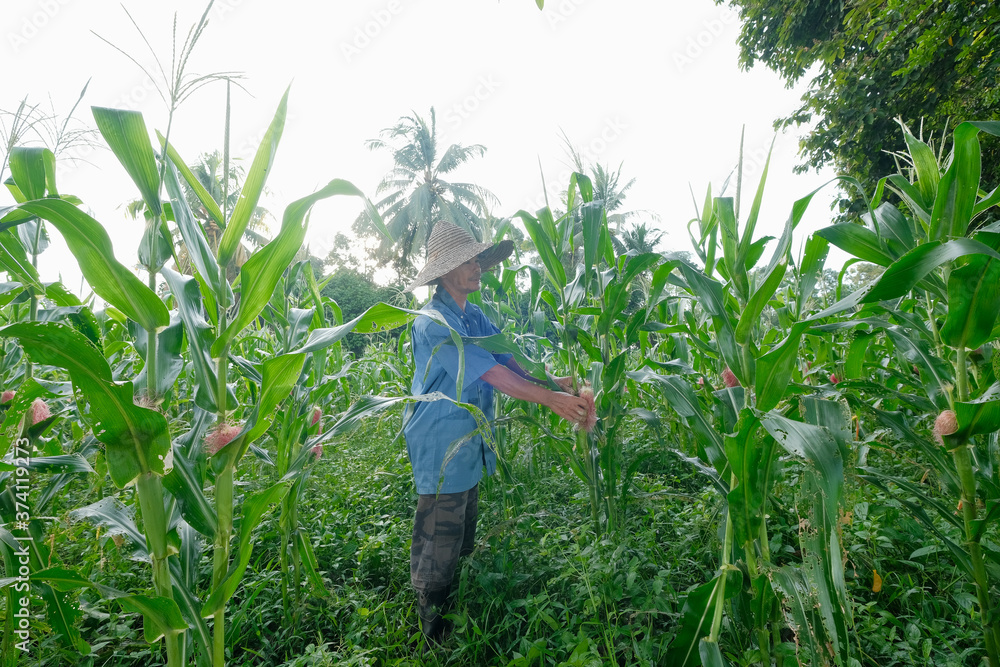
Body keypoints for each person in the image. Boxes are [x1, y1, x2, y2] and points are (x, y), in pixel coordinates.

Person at [402, 221, 590, 645]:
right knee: (439, 533)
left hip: (467, 440)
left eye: (478, 260)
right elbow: (487, 371)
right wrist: (551, 401)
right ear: (445, 271)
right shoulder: (433, 322)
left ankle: (454, 604)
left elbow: (506, 355)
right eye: (469, 262)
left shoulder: (472, 314)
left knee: (463, 528)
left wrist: (552, 380)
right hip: (440, 443)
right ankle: (432, 628)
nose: (478, 268)